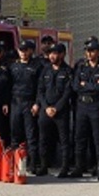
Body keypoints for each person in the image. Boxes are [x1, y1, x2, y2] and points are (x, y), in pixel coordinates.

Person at [70, 39, 99, 180]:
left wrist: (85, 85)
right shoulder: (81, 65)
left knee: (98, 138)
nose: (89, 53)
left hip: (96, 106)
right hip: (82, 105)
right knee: (80, 137)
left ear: (98, 51)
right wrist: (90, 85)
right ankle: (79, 167)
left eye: (92, 51)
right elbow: (76, 86)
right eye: (87, 51)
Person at [37, 42, 74, 176]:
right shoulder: (45, 70)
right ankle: (43, 166)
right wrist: (46, 107)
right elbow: (40, 91)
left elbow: (67, 93)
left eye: (55, 53)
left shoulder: (68, 71)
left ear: (62, 54)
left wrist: (56, 108)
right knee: (43, 139)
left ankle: (64, 167)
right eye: (50, 53)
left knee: (64, 140)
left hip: (61, 111)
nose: (52, 56)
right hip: (45, 110)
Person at [9, 39, 42, 171]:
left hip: (29, 103)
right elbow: (8, 86)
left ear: (31, 51)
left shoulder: (36, 66)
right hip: (15, 102)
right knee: (15, 134)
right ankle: (14, 163)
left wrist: (37, 103)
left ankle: (32, 164)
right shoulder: (13, 67)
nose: (23, 53)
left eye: (25, 50)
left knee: (31, 135)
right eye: (21, 50)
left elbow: (40, 87)